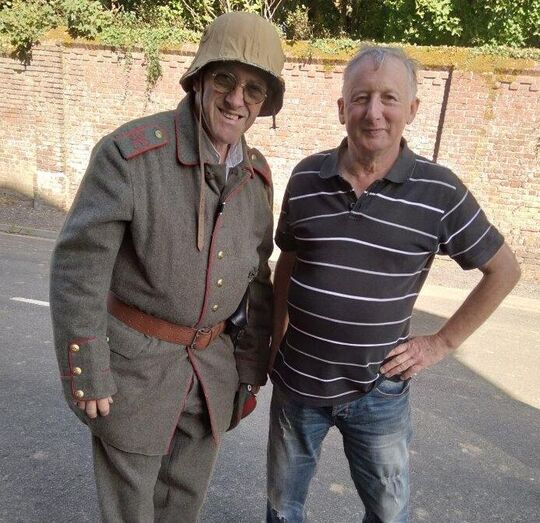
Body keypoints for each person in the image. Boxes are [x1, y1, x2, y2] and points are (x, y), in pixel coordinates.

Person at [266, 46, 520, 523]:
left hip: (378, 393)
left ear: (412, 109)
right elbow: (288, 263)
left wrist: (442, 341)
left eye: (389, 98)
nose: (374, 112)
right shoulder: (305, 178)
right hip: (297, 384)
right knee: (283, 508)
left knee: (388, 514)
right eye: (360, 98)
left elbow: (504, 271)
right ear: (342, 108)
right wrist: (275, 340)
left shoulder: (439, 191)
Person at [49, 12, 285, 523]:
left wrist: (250, 369)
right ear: (199, 78)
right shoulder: (131, 156)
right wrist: (86, 367)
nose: (236, 99)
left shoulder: (258, 176)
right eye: (225, 78)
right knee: (131, 514)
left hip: (210, 378)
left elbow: (257, 283)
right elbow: (79, 267)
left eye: (254, 89)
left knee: (182, 509)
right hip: (132, 372)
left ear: (265, 104)